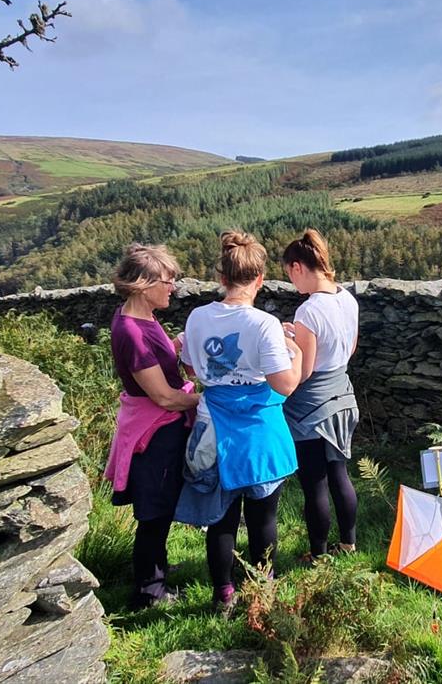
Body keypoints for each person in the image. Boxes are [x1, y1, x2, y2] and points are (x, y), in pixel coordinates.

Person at [174, 230, 303, 613]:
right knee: (263, 517)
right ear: (260, 279)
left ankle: (223, 594)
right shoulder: (265, 324)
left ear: (222, 277)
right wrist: (293, 350)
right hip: (258, 434)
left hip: (213, 427)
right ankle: (262, 590)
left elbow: (193, 366)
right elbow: (285, 385)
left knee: (221, 518)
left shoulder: (197, 317)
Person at [103, 244, 199, 609]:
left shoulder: (143, 319)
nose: (173, 287)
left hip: (158, 427)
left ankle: (155, 569)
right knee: (154, 511)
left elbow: (158, 364)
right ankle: (149, 592)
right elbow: (162, 396)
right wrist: (209, 401)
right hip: (154, 432)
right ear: (142, 284)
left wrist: (180, 344)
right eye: (167, 280)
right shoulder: (132, 331)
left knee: (159, 507)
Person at [280, 229, 361, 560]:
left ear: (298, 266)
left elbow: (305, 370)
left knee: (314, 482)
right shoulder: (348, 298)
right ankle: (349, 544)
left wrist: (287, 340)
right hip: (343, 395)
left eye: (289, 275)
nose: (292, 284)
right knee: (339, 472)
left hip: (311, 407)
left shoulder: (308, 311)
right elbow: (349, 349)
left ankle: (318, 553)